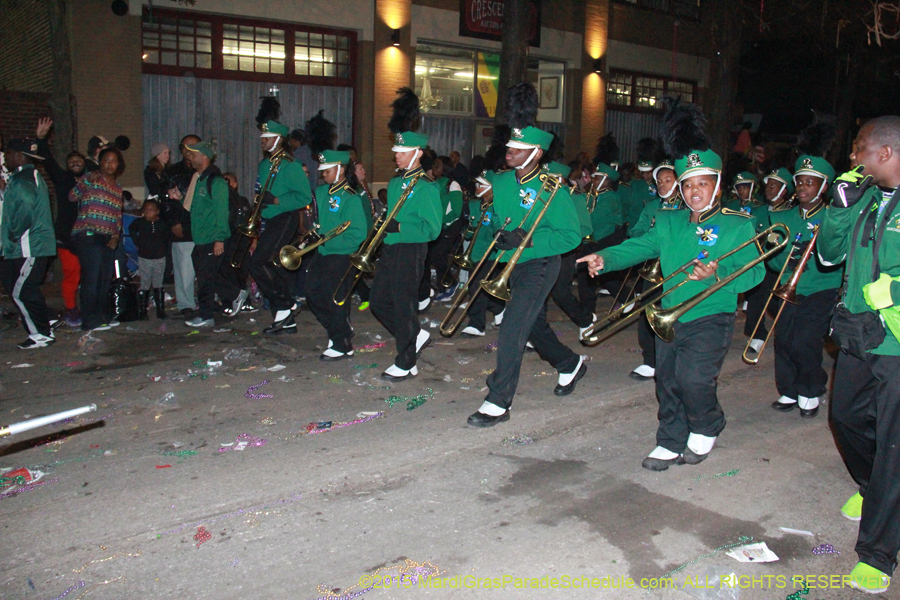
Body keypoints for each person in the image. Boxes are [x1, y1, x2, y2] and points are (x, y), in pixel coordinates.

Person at [578, 100, 764, 470]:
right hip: (671, 312)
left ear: (717, 185)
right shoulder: (668, 220)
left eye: (703, 183)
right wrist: (606, 258)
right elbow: (639, 247)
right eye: (688, 184)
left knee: (693, 379)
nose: (695, 192)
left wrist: (717, 273)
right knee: (667, 381)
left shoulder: (738, 224)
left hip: (712, 314)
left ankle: (708, 423)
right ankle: (670, 439)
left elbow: (754, 273)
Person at [467, 82, 586, 427]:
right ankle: (569, 363)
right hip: (510, 263)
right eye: (510, 145)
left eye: (518, 148)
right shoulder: (502, 181)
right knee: (531, 326)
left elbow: (570, 236)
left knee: (512, 327)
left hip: (540, 263)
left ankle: (498, 400)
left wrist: (529, 241)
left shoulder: (552, 187)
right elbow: (496, 220)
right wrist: (499, 235)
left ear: (536, 153)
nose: (510, 151)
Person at [817, 115, 900, 594]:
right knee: (845, 418)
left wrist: (890, 291)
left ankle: (878, 554)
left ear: (885, 153)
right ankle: (872, 488)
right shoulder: (863, 196)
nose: (852, 157)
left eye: (859, 147)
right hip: (856, 335)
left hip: (896, 342)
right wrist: (838, 209)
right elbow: (829, 256)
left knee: (893, 446)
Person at [371, 88, 442, 381]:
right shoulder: (395, 182)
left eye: (401, 153)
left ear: (418, 153)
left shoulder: (426, 187)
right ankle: (414, 335)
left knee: (403, 306)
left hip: (411, 249)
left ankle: (406, 362)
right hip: (391, 247)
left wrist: (400, 227)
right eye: (396, 152)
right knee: (377, 302)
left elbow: (433, 229)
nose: (397, 157)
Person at [766, 155, 841, 417]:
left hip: (822, 286)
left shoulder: (833, 217)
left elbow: (840, 255)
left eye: (810, 182)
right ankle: (788, 388)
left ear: (823, 187)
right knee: (784, 339)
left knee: (805, 339)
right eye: (800, 182)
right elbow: (772, 259)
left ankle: (810, 388)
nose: (802, 187)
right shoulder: (782, 216)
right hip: (789, 285)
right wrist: (786, 261)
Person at [249, 118, 312, 334]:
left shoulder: (291, 165)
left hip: (285, 217)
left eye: (267, 137)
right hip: (270, 218)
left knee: (259, 263)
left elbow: (304, 197)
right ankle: (285, 319)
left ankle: (287, 303)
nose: (263, 140)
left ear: (278, 139)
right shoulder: (264, 164)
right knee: (273, 266)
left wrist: (276, 200)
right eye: (262, 137)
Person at [306, 150, 370, 360]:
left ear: (340, 170)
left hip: (342, 253)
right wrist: (314, 232)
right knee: (312, 293)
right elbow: (319, 220)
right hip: (323, 251)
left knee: (334, 297)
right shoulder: (321, 192)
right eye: (323, 170)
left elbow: (358, 233)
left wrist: (329, 240)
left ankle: (342, 344)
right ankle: (339, 328)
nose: (323, 174)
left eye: (327, 170)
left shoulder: (350, 197)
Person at [624, 159, 683, 380]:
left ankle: (676, 357)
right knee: (648, 309)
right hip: (654, 267)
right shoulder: (651, 206)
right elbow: (636, 230)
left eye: (668, 180)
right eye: (659, 181)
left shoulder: (686, 206)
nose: (662, 184)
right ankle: (650, 360)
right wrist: (647, 237)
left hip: (678, 267)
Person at [0, 139, 56, 348]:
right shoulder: (24, 176)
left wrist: (12, 235)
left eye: (8, 153)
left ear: (19, 155)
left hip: (29, 245)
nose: (5, 157)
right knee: (17, 286)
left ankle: (41, 334)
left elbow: (24, 210)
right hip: (22, 246)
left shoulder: (23, 179)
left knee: (21, 291)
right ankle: (46, 321)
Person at [34, 117, 85, 328]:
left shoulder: (92, 181)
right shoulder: (62, 179)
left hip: (88, 237)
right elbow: (47, 160)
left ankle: (90, 308)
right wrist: (41, 139)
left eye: (78, 160)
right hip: (66, 237)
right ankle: (71, 309)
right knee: (72, 275)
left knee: (89, 275)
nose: (75, 163)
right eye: (71, 161)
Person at [70, 147, 125, 331]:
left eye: (114, 161)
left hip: (107, 237)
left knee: (104, 279)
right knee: (91, 279)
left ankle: (102, 317)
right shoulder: (91, 178)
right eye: (106, 160)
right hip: (88, 234)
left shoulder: (117, 188)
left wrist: (116, 236)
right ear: (100, 162)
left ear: (118, 165)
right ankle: (89, 320)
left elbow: (118, 215)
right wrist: (86, 182)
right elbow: (72, 196)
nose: (110, 164)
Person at [181, 141, 230, 327]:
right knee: (208, 278)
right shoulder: (200, 179)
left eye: (194, 155)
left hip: (211, 238)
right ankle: (235, 295)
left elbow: (222, 212)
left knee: (205, 280)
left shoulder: (216, 182)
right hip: (200, 239)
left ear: (204, 157)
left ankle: (206, 315)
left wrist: (219, 239)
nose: (190, 158)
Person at [458, 169, 506, 337]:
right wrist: (468, 230)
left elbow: (497, 230)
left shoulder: (497, 207)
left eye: (481, 185)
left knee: (475, 288)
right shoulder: (473, 205)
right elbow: (469, 233)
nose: (477, 187)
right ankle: (499, 309)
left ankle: (477, 325)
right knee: (480, 288)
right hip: (474, 254)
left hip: (489, 255)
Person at [163, 134, 200, 319]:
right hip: (183, 225)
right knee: (184, 268)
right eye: (185, 147)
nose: (189, 150)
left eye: (193, 146)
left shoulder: (206, 170)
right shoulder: (173, 171)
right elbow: (166, 200)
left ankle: (206, 300)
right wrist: (174, 221)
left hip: (202, 225)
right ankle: (186, 304)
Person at [218, 172, 255, 316]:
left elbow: (251, 220)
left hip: (243, 241)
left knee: (242, 272)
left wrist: (254, 240)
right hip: (229, 240)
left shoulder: (242, 201)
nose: (227, 185)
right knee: (227, 272)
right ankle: (228, 303)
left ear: (235, 184)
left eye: (229, 181)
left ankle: (245, 302)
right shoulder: (222, 200)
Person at [128, 199, 170, 320]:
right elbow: (131, 229)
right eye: (145, 210)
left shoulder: (162, 224)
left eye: (151, 210)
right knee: (145, 283)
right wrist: (137, 242)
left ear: (157, 211)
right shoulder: (140, 223)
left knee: (158, 283)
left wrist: (163, 248)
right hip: (144, 257)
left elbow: (167, 236)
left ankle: (160, 310)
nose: (148, 213)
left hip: (159, 257)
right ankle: (142, 311)